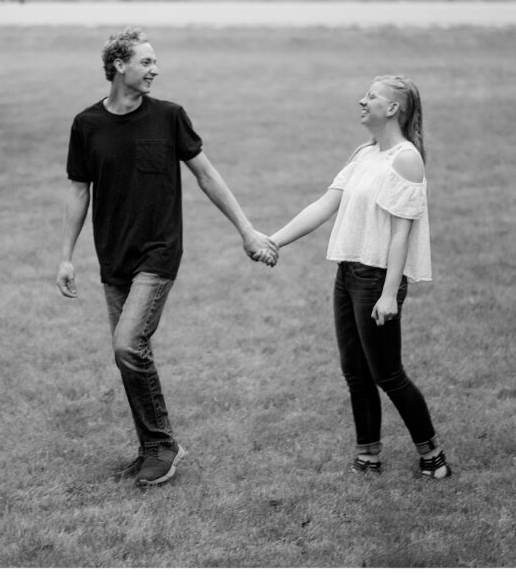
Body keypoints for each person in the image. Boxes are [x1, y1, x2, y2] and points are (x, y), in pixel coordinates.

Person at [56, 27, 277, 487]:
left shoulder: (169, 117)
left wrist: (246, 230)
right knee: (131, 354)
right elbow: (79, 190)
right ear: (119, 66)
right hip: (112, 256)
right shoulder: (87, 125)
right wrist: (66, 257)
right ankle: (150, 449)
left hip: (158, 253)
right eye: (146, 62)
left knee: (126, 344)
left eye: (155, 62)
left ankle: (164, 447)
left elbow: (207, 175)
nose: (156, 69)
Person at [267, 75, 451, 479]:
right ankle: (368, 455)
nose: (362, 100)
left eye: (372, 96)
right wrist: (273, 241)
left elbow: (402, 231)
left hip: (376, 279)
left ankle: (432, 455)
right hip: (348, 273)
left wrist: (389, 295)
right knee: (355, 371)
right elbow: (323, 205)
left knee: (388, 373)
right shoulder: (364, 154)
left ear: (393, 109)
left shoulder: (405, 158)